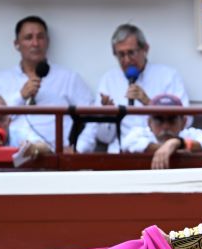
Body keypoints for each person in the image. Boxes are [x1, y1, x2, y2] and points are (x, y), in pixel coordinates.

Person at [75, 24, 189, 154]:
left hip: (159, 150)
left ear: (145, 49)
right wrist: (108, 116)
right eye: (121, 55)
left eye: (131, 53)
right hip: (121, 152)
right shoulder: (109, 79)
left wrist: (149, 103)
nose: (127, 60)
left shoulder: (168, 76)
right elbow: (104, 137)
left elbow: (187, 121)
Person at [0, 15, 93, 152]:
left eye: (40, 37)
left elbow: (93, 118)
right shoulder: (1, 80)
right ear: (16, 44)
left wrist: (79, 149)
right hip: (10, 155)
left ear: (47, 42)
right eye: (28, 38)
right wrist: (20, 96)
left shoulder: (68, 78)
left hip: (57, 157)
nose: (35, 43)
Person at [122, 93, 202, 169]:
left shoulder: (191, 133)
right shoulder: (140, 133)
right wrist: (170, 147)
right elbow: (127, 143)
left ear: (183, 122)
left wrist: (177, 142)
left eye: (172, 120)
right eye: (159, 120)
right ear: (149, 122)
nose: (165, 126)